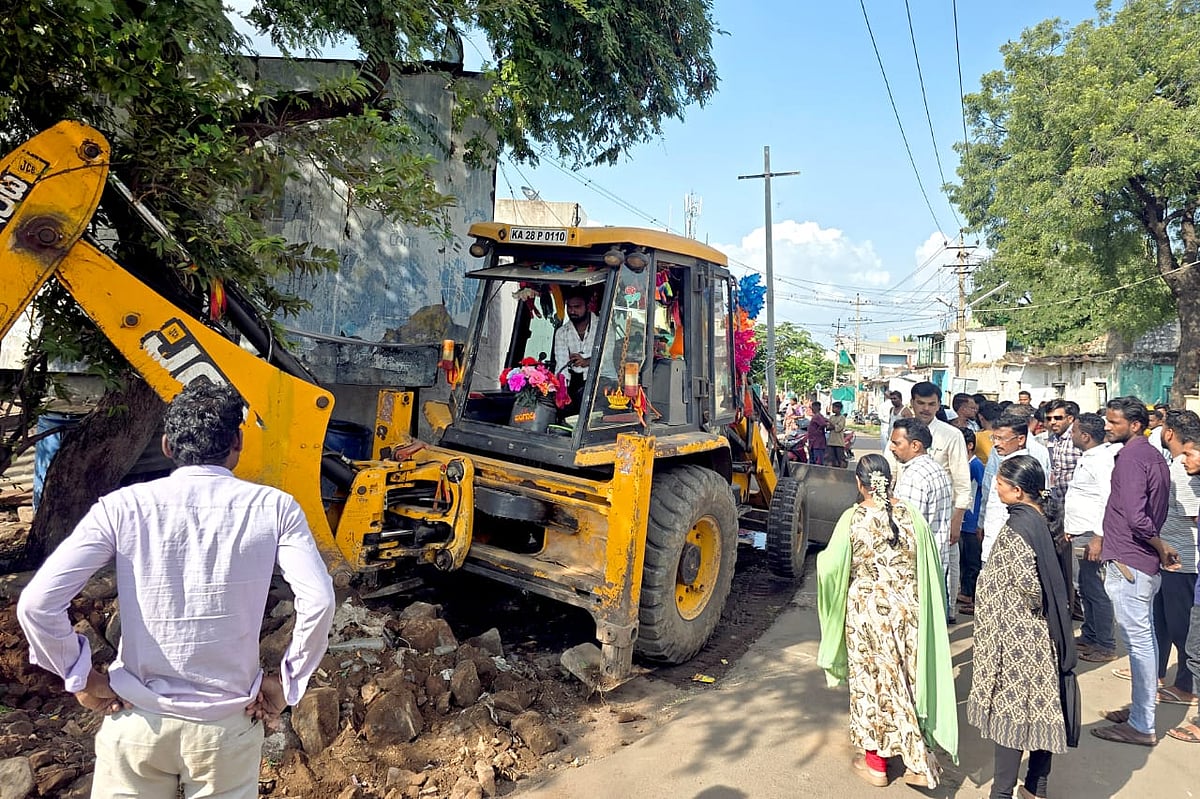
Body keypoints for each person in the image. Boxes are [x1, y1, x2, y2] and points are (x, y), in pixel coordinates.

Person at [16, 382, 337, 798]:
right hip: (227, 729)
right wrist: (287, 684)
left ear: (166, 445)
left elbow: (37, 604)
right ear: (237, 442)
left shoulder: (122, 507)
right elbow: (320, 600)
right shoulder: (275, 509)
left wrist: (82, 677)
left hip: (136, 722)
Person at [816, 454, 957, 789]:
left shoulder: (854, 517)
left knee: (873, 684)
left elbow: (830, 568)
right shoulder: (912, 516)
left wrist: (826, 564)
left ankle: (878, 764)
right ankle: (915, 756)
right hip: (910, 611)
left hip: (867, 615)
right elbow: (931, 564)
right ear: (889, 481)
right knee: (907, 680)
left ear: (859, 483)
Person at [969, 455, 1079, 799]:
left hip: (1018, 638)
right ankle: (1036, 787)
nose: (996, 488)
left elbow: (1029, 588)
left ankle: (1001, 792)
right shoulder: (1041, 519)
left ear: (1017, 491)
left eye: (1000, 484)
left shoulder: (1019, 528)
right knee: (1045, 710)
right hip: (1043, 635)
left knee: (1011, 717)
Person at [1092, 396, 1173, 747]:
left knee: (1139, 644)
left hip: (1131, 561)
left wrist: (1159, 546)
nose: (1107, 427)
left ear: (1135, 425)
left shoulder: (1131, 458)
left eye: (1114, 422)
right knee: (1146, 640)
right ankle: (1141, 710)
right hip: (1140, 561)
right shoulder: (1153, 456)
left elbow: (1137, 517)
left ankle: (1142, 724)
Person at [1150, 410, 1200, 704]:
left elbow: (1194, 517)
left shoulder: (1187, 468)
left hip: (1184, 560)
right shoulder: (1180, 463)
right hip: (1170, 557)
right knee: (1164, 621)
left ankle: (1187, 685)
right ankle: (1158, 673)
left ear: (1168, 433)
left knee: (1184, 629)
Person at [1066, 413, 1120, 663]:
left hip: (1091, 534)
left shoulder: (1102, 461)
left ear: (1085, 436)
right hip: (1079, 532)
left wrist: (1098, 537)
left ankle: (1106, 644)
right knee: (1084, 588)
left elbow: (1108, 500)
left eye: (1074, 431)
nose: (1071, 435)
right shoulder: (1088, 457)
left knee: (1096, 589)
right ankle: (1090, 634)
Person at [891, 418, 955, 621]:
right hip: (937, 557)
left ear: (915, 445)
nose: (892, 448)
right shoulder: (936, 469)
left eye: (897, 443)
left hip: (919, 565)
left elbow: (907, 527)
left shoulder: (915, 477)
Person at [553, 288, 599, 415]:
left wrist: (587, 361)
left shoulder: (603, 327)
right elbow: (561, 363)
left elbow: (607, 357)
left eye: (577, 307)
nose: (572, 311)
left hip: (599, 382)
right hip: (575, 384)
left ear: (588, 306)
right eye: (569, 307)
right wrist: (561, 389)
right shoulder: (562, 333)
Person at [958, 428, 985, 616]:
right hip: (964, 518)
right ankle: (966, 591)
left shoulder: (975, 465)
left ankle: (972, 595)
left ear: (969, 446)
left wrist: (979, 521)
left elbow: (982, 490)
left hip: (972, 519)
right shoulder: (962, 464)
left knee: (972, 560)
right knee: (964, 559)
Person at [808, 401, 829, 466]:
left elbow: (824, 424)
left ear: (817, 407)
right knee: (813, 461)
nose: (812, 409)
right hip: (813, 442)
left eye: (813, 407)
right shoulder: (819, 416)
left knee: (817, 462)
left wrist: (820, 428)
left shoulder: (817, 416)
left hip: (817, 443)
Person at [827, 401, 847, 468]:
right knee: (830, 459)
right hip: (831, 441)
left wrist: (831, 424)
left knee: (840, 459)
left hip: (839, 442)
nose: (833, 409)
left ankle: (842, 472)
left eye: (834, 408)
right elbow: (828, 427)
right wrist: (832, 425)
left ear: (839, 409)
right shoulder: (832, 417)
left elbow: (838, 428)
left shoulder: (842, 418)